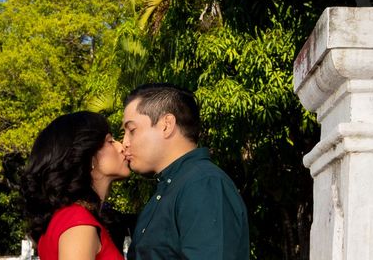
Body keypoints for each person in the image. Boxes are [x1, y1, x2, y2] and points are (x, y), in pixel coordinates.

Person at [122, 83, 249, 259]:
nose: (125, 143)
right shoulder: (171, 187)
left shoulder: (203, 183)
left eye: (132, 130)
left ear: (166, 125)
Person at [21, 111, 131, 260]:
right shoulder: (78, 222)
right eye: (110, 141)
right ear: (88, 156)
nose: (121, 146)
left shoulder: (68, 217)